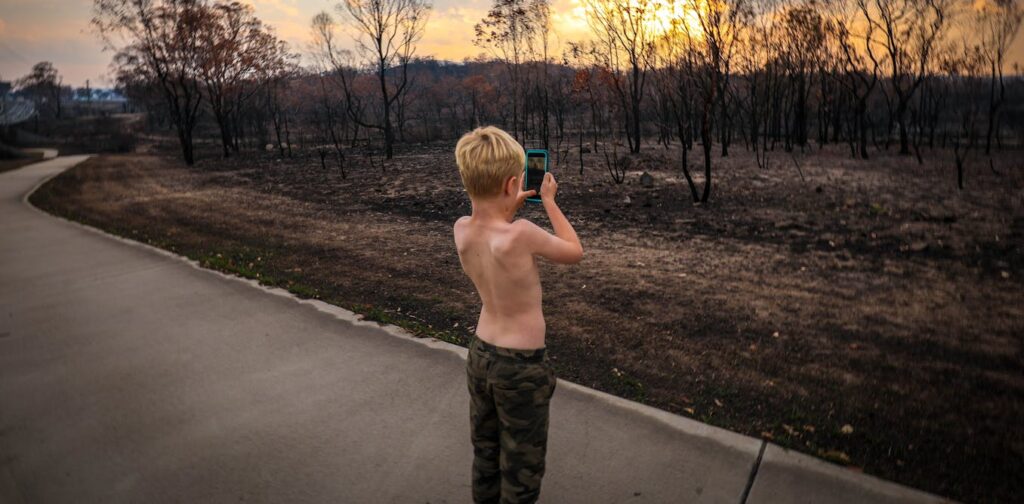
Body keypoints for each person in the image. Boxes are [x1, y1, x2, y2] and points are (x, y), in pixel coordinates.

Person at [452, 126, 583, 503]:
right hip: (521, 368)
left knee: (487, 454)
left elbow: (491, 224)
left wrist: (506, 202)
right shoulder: (522, 233)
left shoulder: (461, 230)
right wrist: (550, 201)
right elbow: (574, 250)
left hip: (480, 357)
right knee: (521, 469)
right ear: (513, 184)